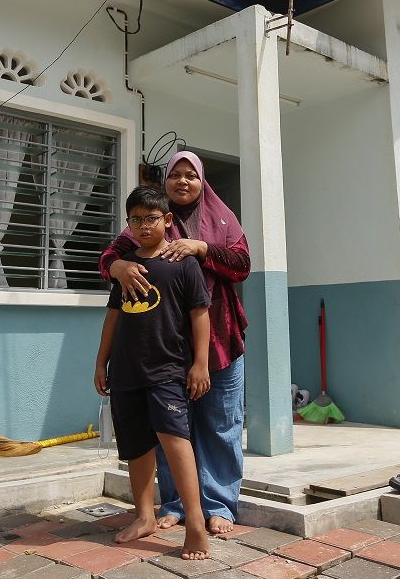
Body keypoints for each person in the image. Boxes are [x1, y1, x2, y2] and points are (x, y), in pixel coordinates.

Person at [99, 151, 249, 534]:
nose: (183, 182)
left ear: (202, 182)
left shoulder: (221, 218)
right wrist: (115, 266)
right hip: (163, 349)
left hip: (218, 339)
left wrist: (201, 248)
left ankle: (219, 506)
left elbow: (242, 265)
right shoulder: (150, 219)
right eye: (175, 176)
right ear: (164, 182)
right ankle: (176, 504)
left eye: (191, 176)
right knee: (170, 428)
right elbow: (110, 260)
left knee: (220, 424)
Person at [94, 185, 213, 559]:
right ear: (128, 224)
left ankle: (194, 521)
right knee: (136, 447)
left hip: (167, 371)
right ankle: (144, 515)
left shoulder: (183, 264)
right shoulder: (127, 265)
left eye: (151, 218)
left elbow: (200, 315)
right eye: (135, 219)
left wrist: (200, 363)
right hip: (126, 372)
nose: (144, 225)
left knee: (175, 440)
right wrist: (101, 361)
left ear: (167, 220)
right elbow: (113, 317)